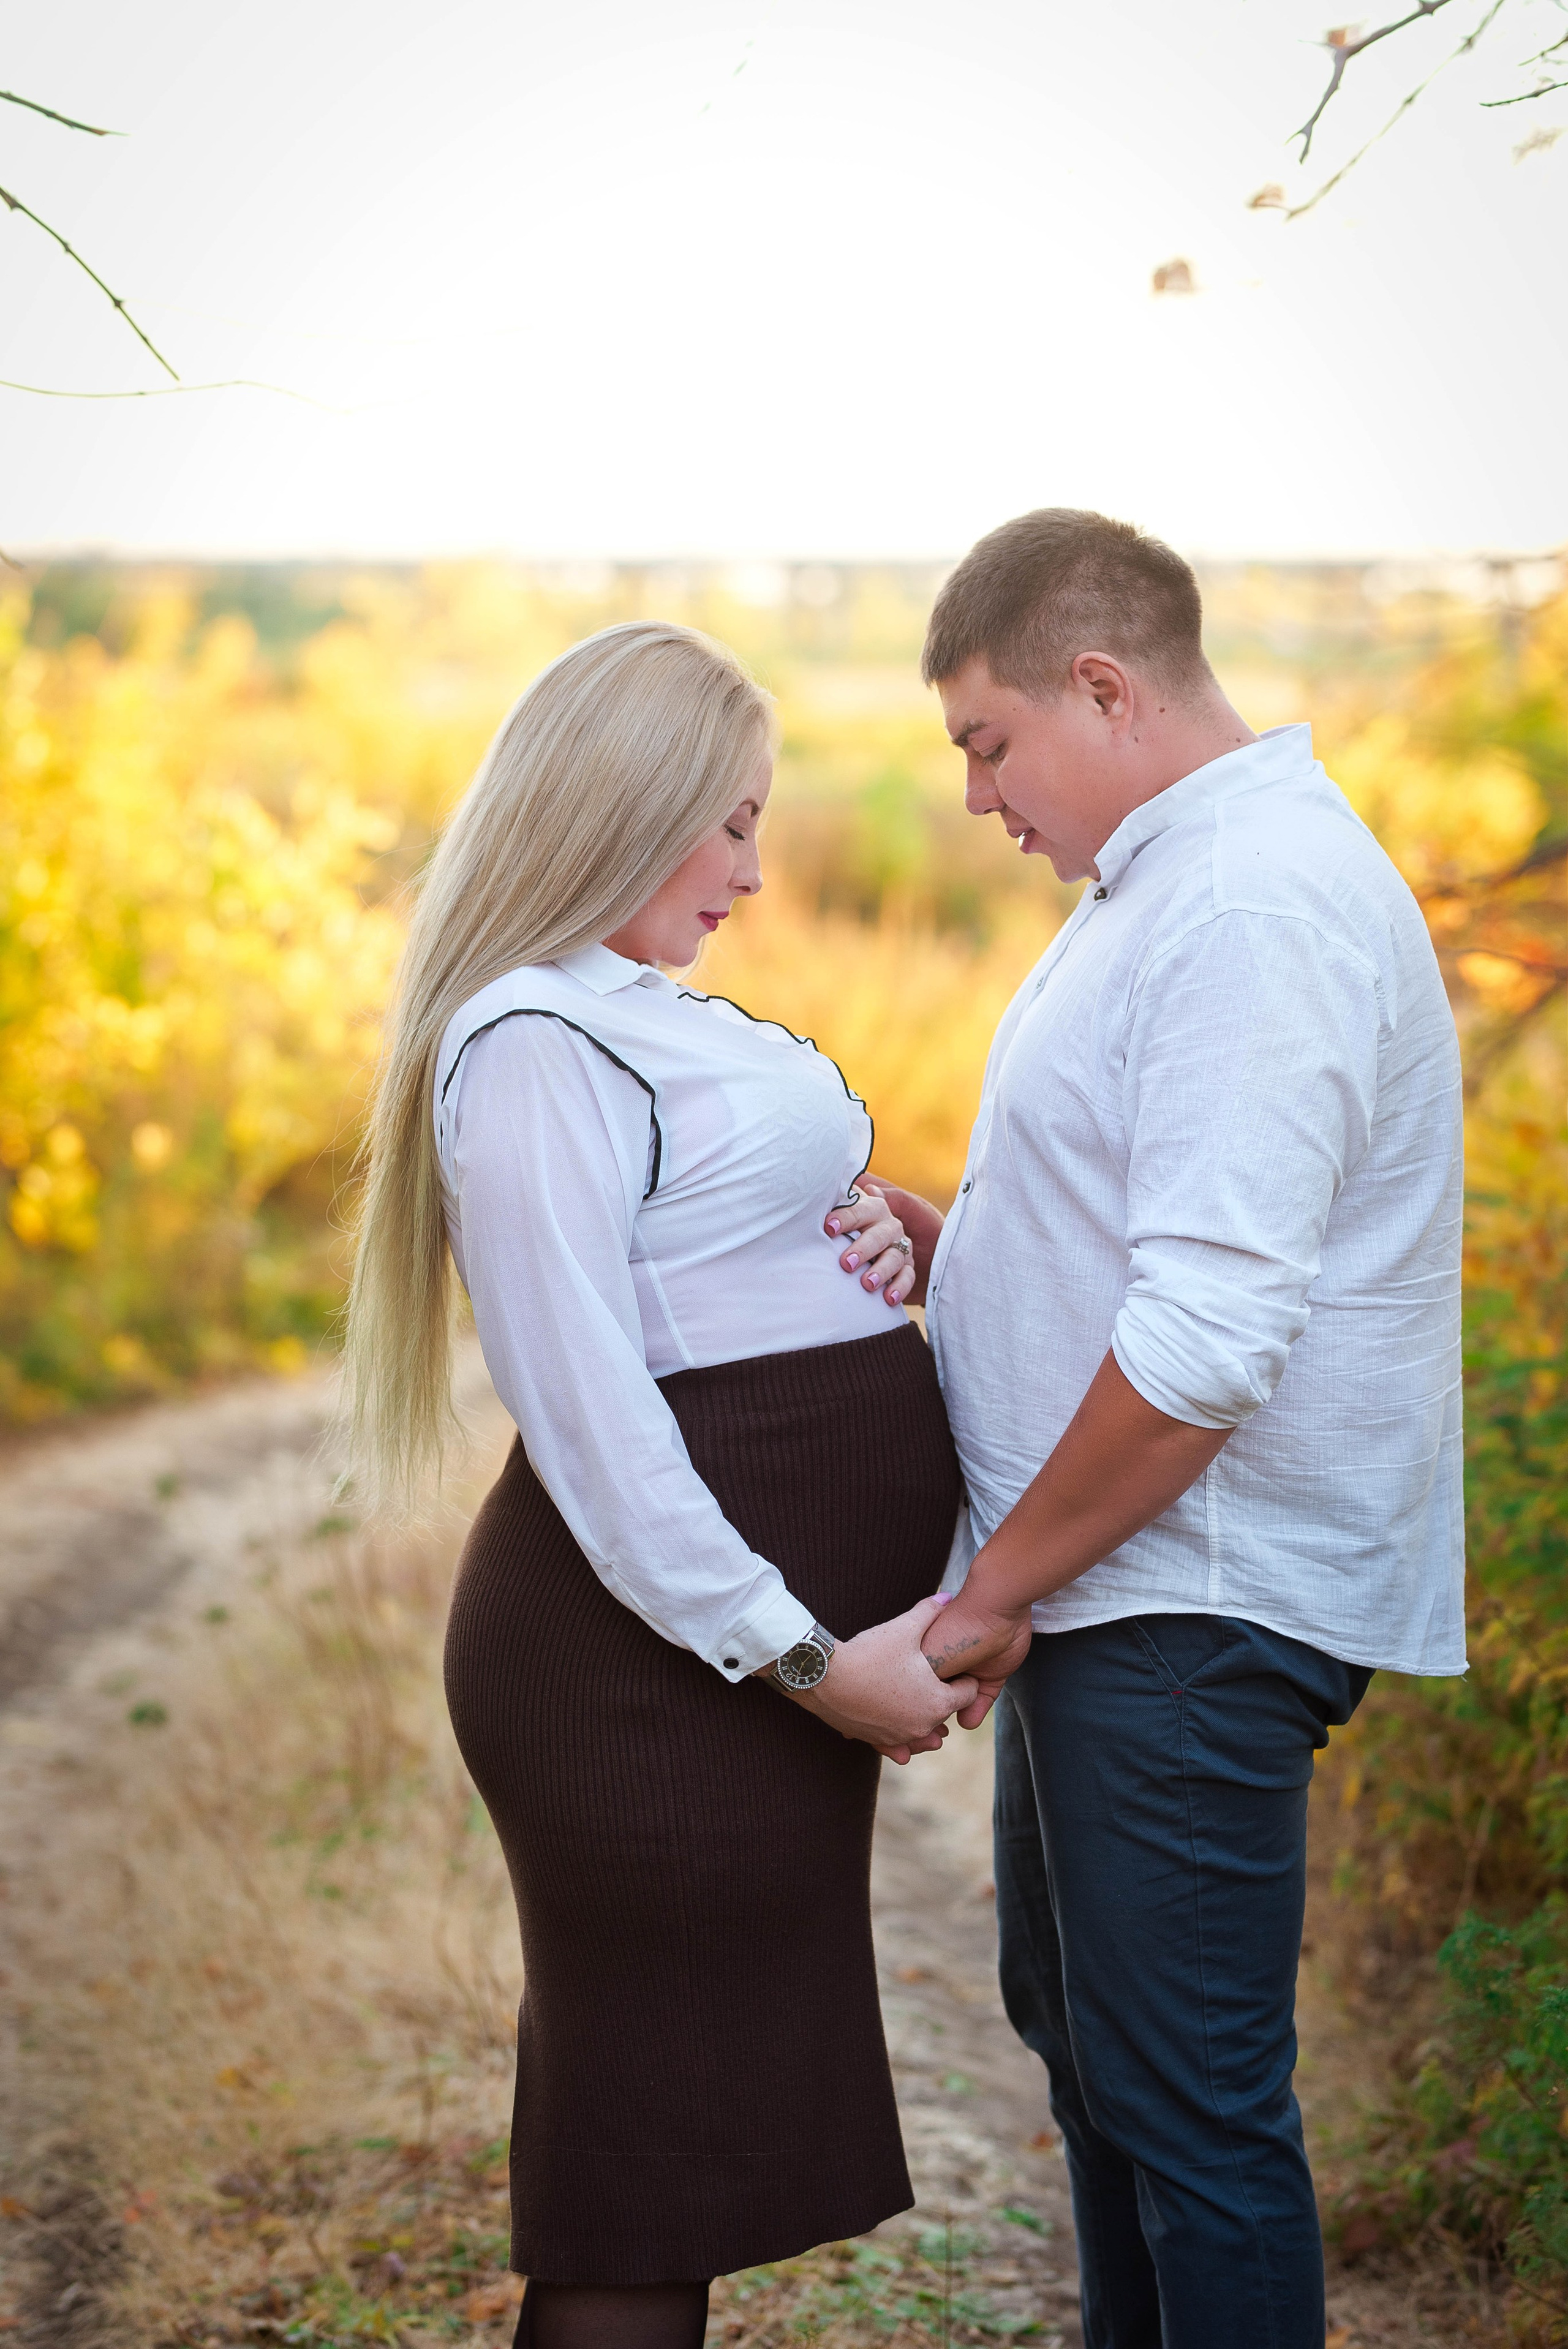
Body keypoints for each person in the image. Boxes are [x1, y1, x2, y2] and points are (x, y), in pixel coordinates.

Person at [340, 620, 978, 2349]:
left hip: (712, 1672)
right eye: (729, 822)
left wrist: (875, 1228)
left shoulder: (632, 1014)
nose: (755, 872)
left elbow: (720, 1253)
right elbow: (596, 1421)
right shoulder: (530, 1039)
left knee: (679, 2157)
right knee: (642, 2180)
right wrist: (810, 1658)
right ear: (623, 801)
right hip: (650, 1675)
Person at [877, 509, 1465, 2349]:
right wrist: (958, 1254)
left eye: (989, 741)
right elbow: (1157, 1231)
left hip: (1185, 1609)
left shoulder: (1253, 904)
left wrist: (990, 1590)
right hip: (1126, 1595)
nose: (979, 795)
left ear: (1106, 687)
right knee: (1108, 2084)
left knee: (1195, 2123)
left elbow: (1210, 1343)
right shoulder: (1172, 881)